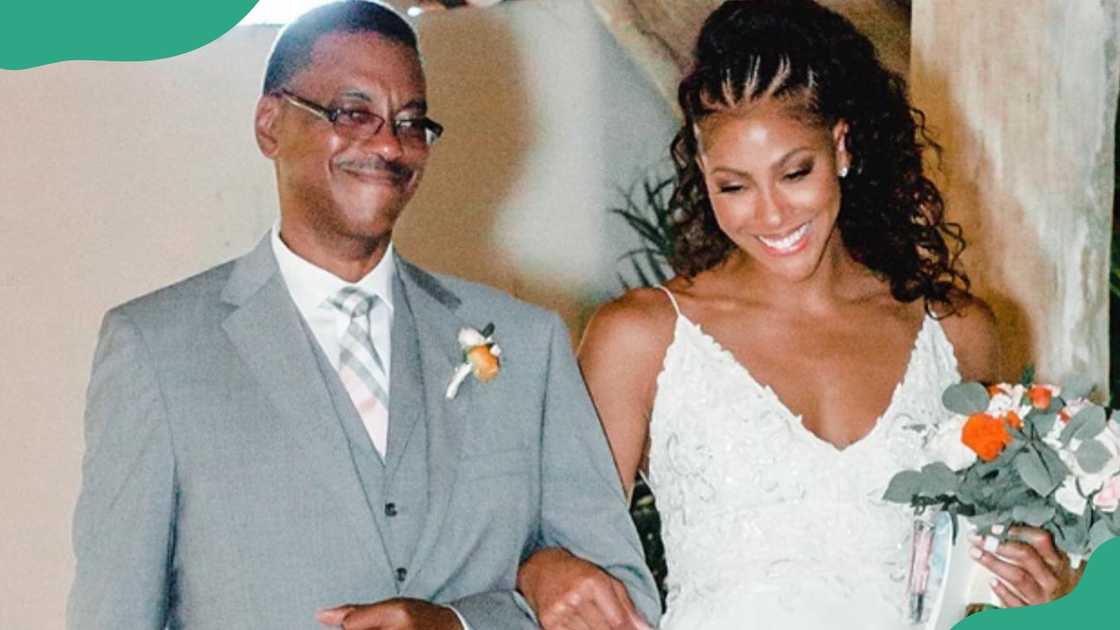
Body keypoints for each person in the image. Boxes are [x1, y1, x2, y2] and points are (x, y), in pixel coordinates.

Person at [65, 2, 660, 628]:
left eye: (410, 123)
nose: (387, 145)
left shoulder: (522, 342)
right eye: (353, 113)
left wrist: (461, 624)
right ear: (270, 125)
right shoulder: (157, 348)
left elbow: (623, 601)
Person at [517, 0, 1077, 628]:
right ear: (703, 172)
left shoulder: (959, 333)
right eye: (734, 185)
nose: (772, 214)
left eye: (794, 172)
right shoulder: (641, 335)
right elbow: (556, 556)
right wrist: (544, 570)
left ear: (841, 146)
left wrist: (1045, 580)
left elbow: (979, 571)